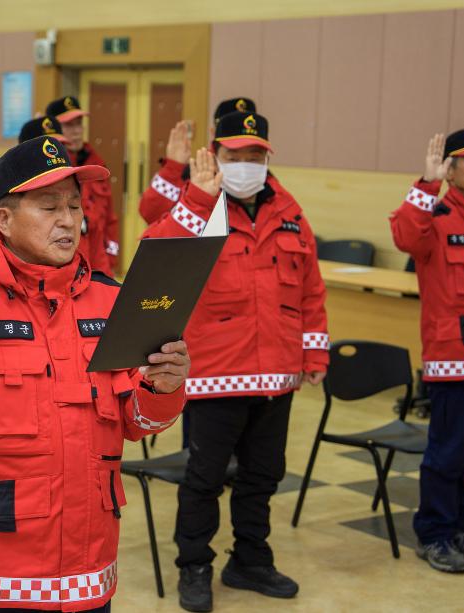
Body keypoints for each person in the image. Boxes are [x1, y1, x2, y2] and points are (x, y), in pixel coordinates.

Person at [0, 128, 188, 612]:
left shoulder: (110, 299)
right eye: (48, 208)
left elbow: (136, 424)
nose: (68, 221)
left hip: (86, 572)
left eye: (73, 206)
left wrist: (163, 387)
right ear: (2, 220)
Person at [144, 112, 328, 612]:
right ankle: (195, 565)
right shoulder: (198, 207)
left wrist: (313, 352)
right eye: (234, 155)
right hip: (215, 375)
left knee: (262, 476)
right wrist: (197, 197)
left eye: (254, 156)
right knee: (204, 479)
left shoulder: (289, 211)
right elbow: (155, 254)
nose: (245, 164)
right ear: (216, 156)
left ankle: (250, 558)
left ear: (268, 158)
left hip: (278, 375)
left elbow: (310, 290)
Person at [390, 129, 464, 573]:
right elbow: (405, 236)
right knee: (448, 454)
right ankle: (435, 533)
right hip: (455, 360)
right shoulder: (436, 216)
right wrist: (426, 185)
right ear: (449, 170)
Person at [139, 97, 257, 225]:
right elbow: (150, 214)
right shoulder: (193, 173)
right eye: (228, 129)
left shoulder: (266, 182)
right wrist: (172, 168)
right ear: (213, 132)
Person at [19, 115, 111, 276]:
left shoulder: (79, 188)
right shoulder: (7, 204)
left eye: (74, 206)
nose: (53, 154)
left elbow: (100, 267)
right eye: (49, 207)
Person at [46, 96, 119, 274]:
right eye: (69, 125)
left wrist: (111, 258)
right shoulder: (51, 168)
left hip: (97, 261)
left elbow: (109, 217)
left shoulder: (97, 164)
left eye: (79, 124)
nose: (77, 131)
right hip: (64, 263)